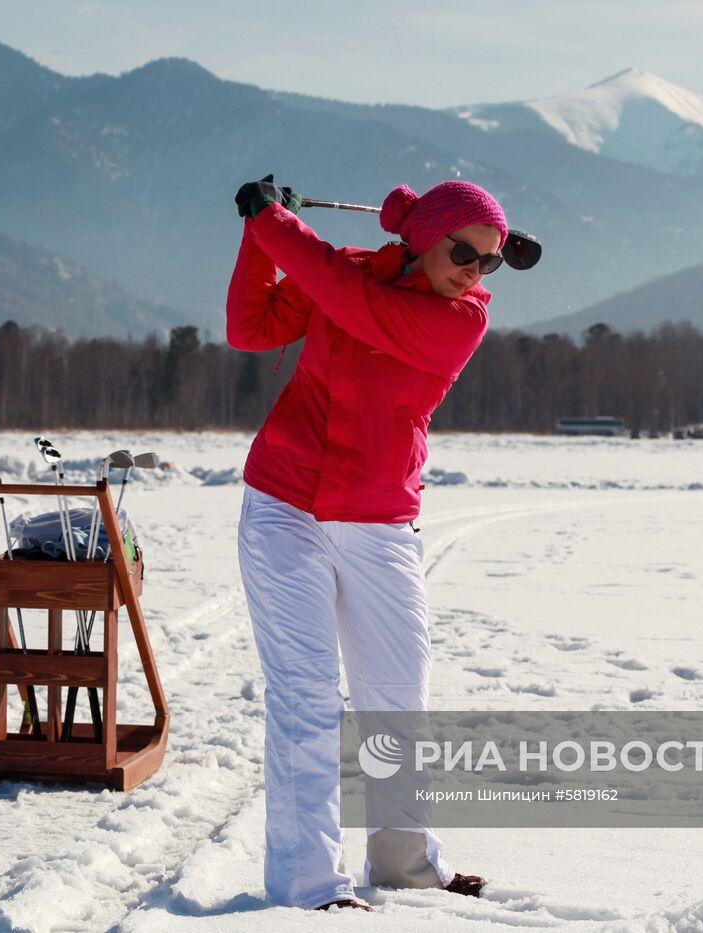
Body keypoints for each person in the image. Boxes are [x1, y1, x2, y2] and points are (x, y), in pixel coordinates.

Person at [228, 175, 507, 912]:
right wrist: (256, 236)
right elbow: (250, 325)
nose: (476, 272)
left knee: (396, 695)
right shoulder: (346, 269)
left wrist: (274, 221)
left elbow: (353, 304)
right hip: (284, 503)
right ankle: (310, 883)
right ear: (422, 238)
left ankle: (406, 860)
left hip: (379, 519)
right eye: (464, 252)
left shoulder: (460, 319)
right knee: (308, 695)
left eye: (491, 260)